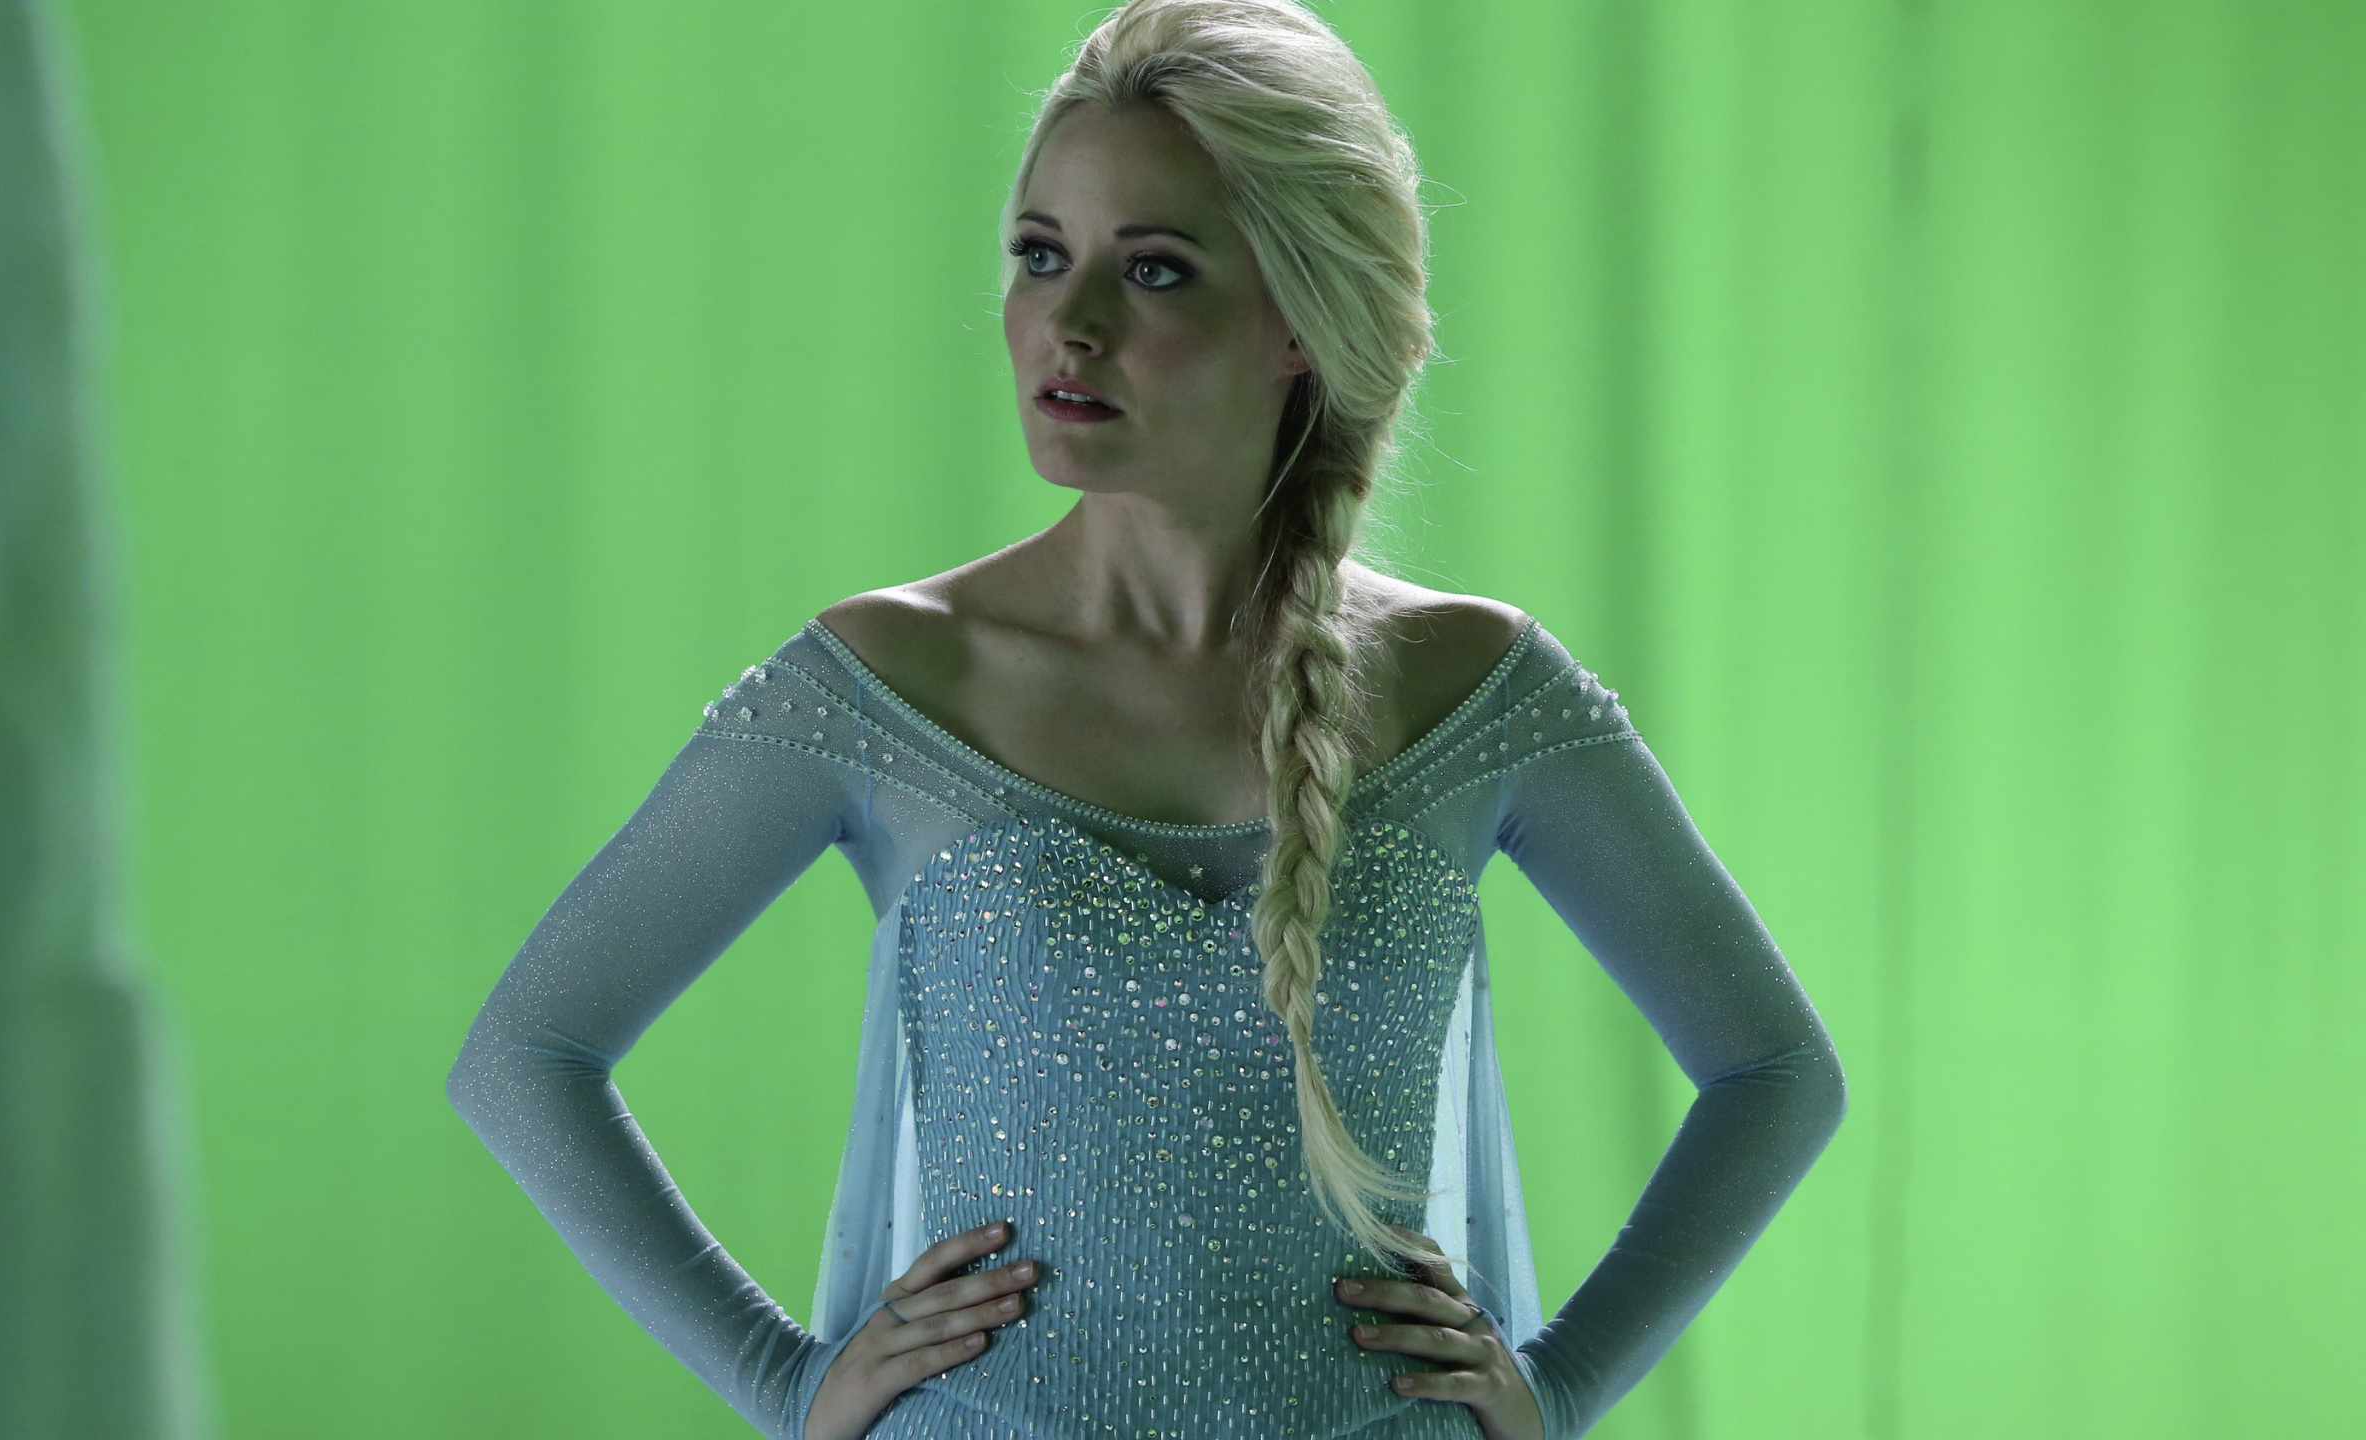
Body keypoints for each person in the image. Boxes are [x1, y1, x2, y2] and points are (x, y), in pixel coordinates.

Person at [448, 2, 1845, 1437]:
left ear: (1302, 321)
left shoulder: (1477, 686)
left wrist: (1556, 1387)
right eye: (1039, 255)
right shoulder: (885, 682)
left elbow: (1778, 1073)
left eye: (1155, 269)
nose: (1071, 323)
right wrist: (783, 1381)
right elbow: (523, 1058)